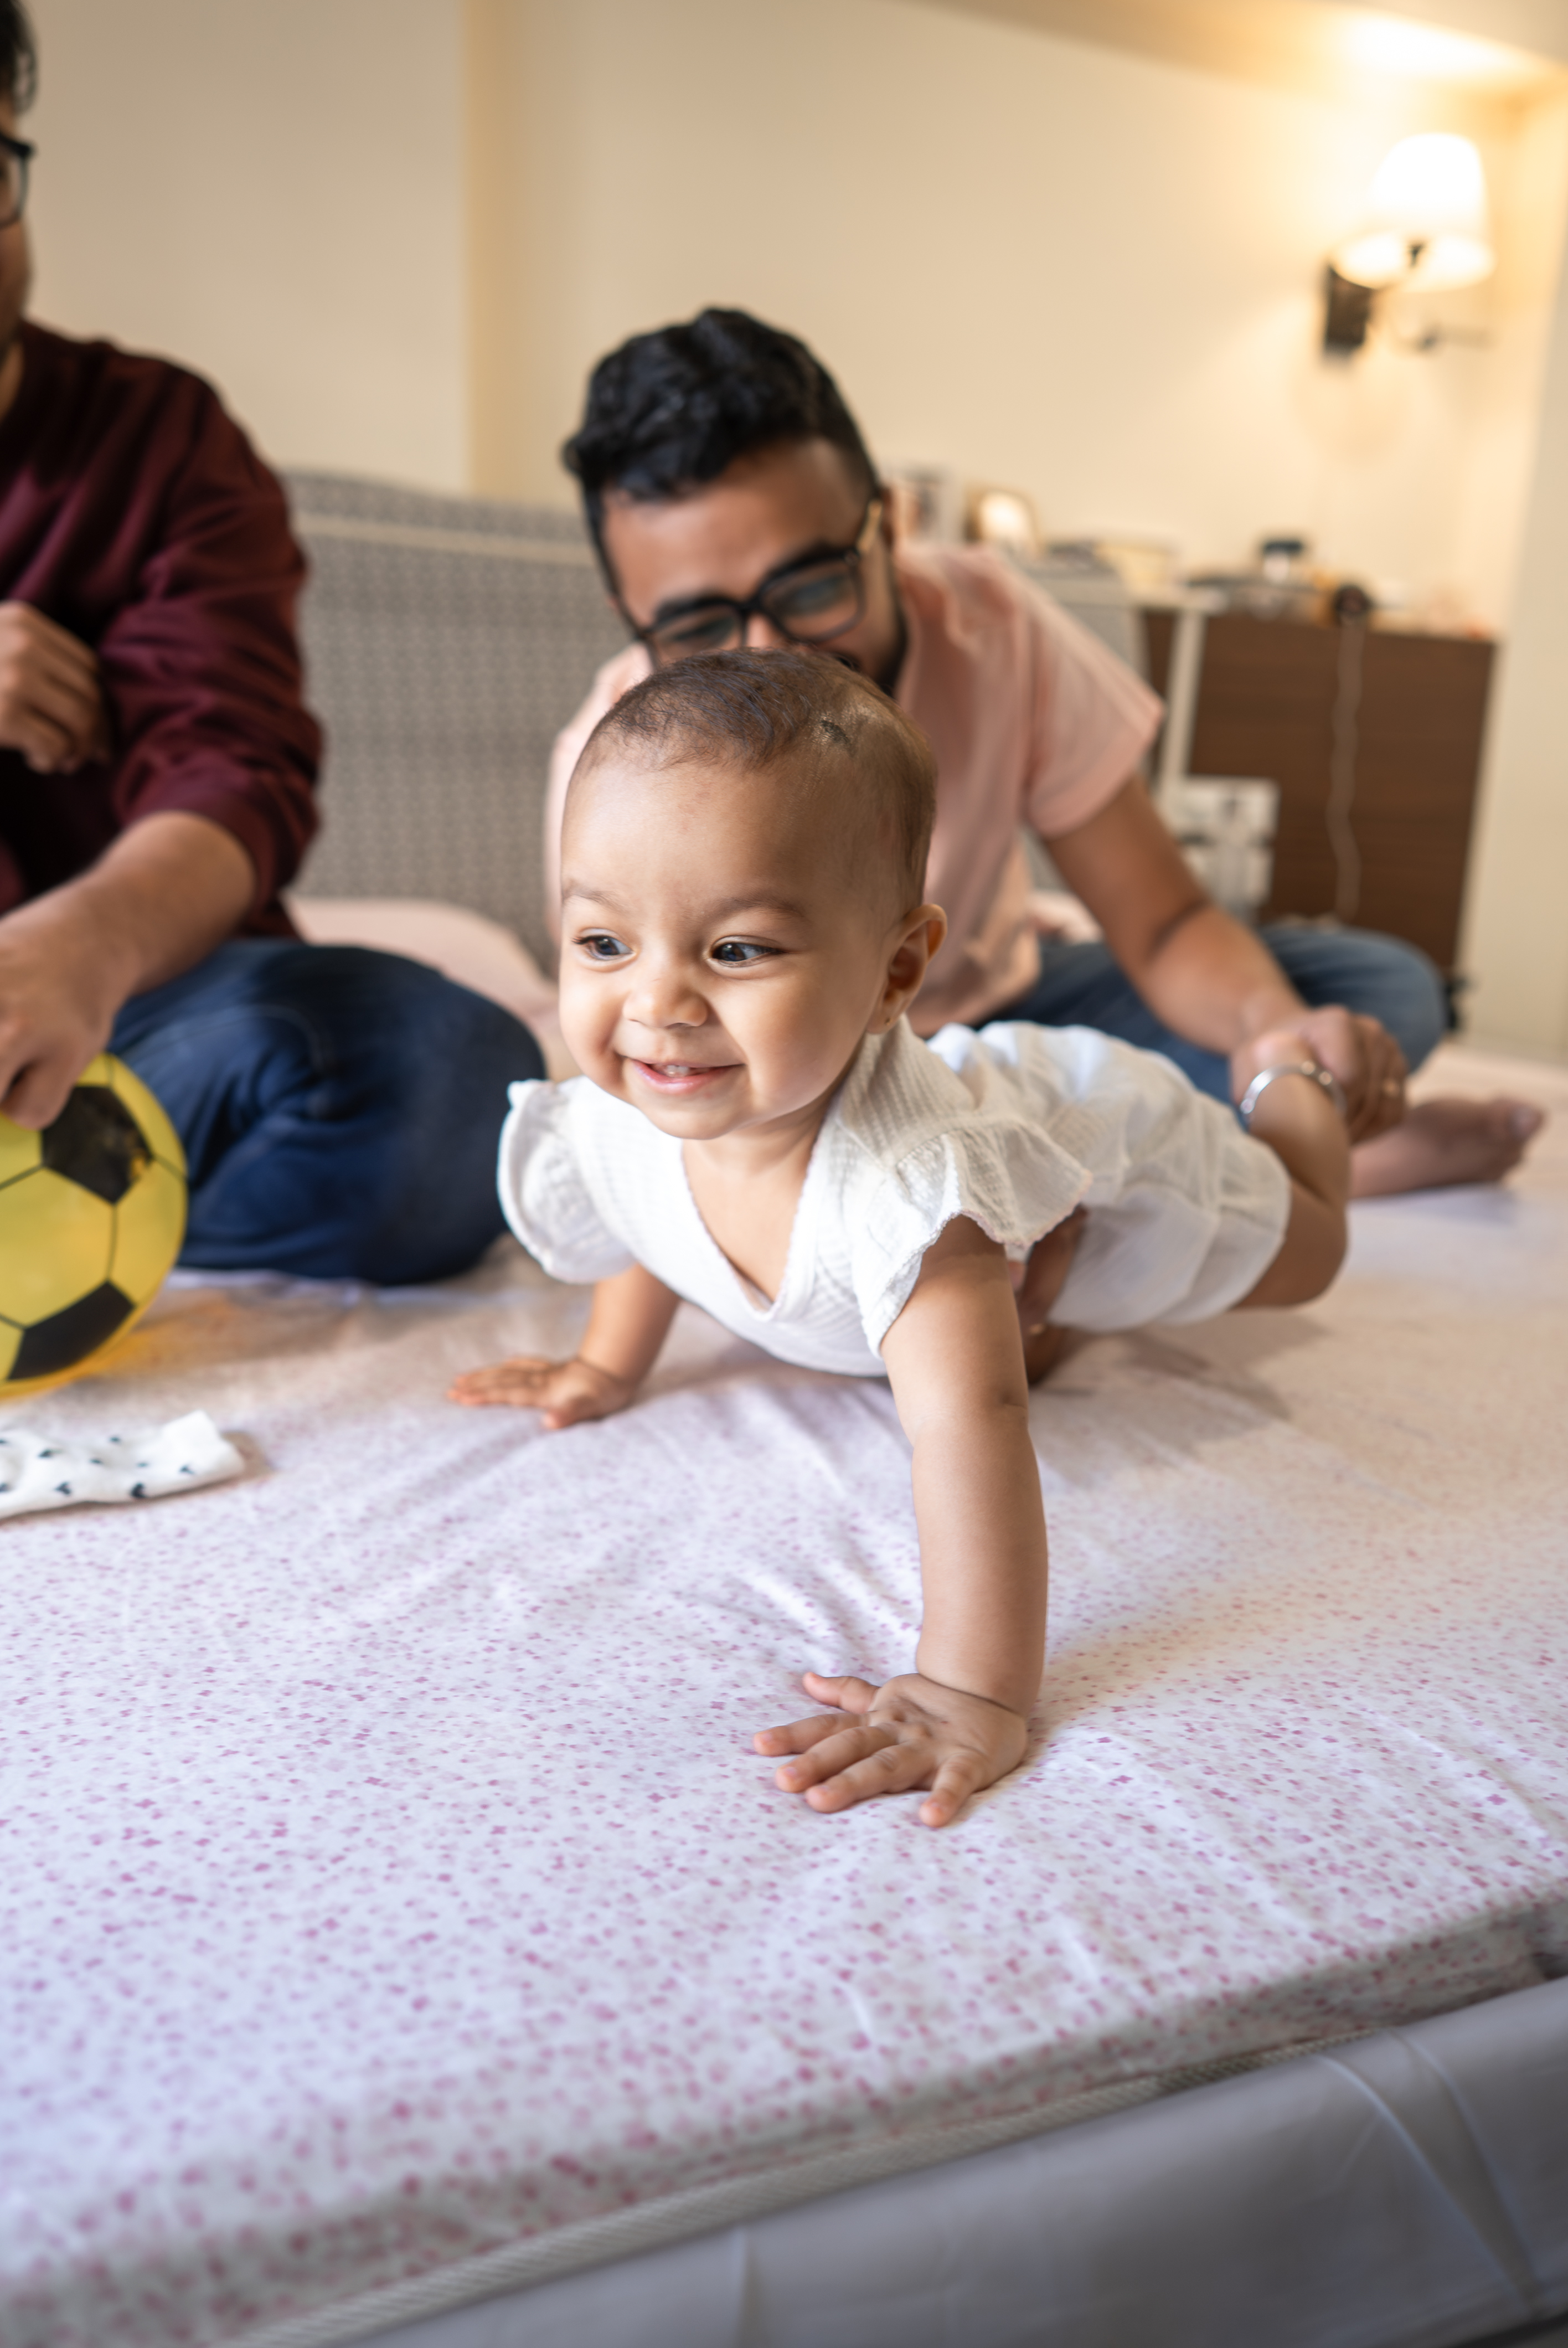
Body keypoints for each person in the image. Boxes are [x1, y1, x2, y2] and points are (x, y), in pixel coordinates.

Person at [455, 650, 1350, 1826]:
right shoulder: (632, 1100)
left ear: (898, 969)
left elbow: (973, 1424)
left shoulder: (911, 1187)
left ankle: (1301, 1082)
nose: (657, 1005)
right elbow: (644, 1213)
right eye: (604, 944)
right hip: (1001, 1235)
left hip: (1115, 1158)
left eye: (736, 950)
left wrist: (972, 1691)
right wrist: (605, 1365)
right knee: (989, 1329)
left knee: (1311, 1246)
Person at [546, 307, 1541, 1201]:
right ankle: (1288, 1168)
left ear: (889, 525)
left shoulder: (995, 628)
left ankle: (1238, 1140)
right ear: (629, 613)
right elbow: (639, 1040)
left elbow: (1164, 923)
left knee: (1383, 993)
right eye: (699, 627)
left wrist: (1278, 1038)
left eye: (811, 588)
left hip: (1006, 1021)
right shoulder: (616, 759)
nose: (770, 654)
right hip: (789, 1074)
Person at [0, 0, 541, 1284]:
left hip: (124, 1007)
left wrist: (74, 948)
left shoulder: (162, 440)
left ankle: (85, 1221)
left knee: (451, 1075)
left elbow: (232, 772)